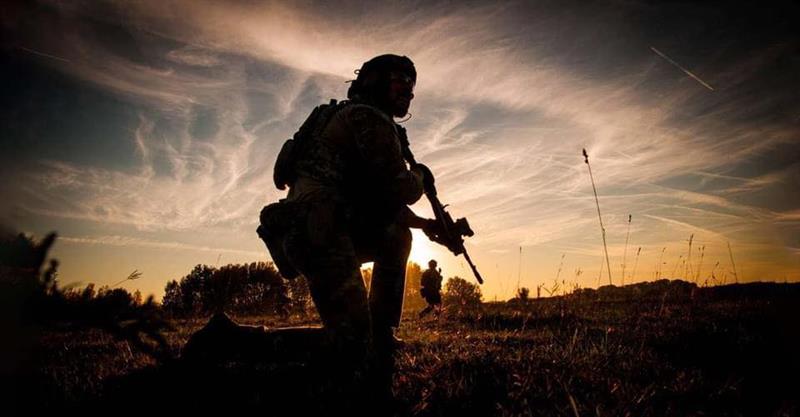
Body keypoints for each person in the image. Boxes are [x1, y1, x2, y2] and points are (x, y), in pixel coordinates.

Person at [184, 54, 438, 409]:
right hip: (320, 231)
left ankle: (381, 337)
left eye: (412, 85)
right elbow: (400, 188)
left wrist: (427, 225)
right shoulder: (367, 117)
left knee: (396, 235)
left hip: (318, 228)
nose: (408, 91)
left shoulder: (340, 117)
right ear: (375, 81)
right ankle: (229, 340)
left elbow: (381, 202)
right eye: (401, 80)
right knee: (350, 347)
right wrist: (421, 176)